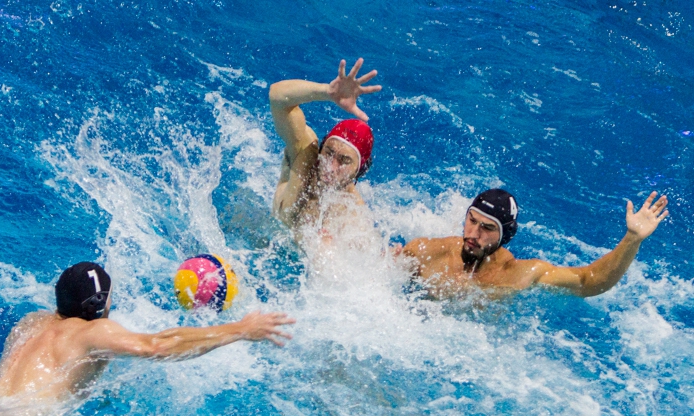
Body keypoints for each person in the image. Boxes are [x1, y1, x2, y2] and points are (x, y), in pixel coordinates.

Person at [0, 262, 294, 416]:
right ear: (98, 306)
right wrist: (240, 329)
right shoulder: (92, 333)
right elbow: (158, 346)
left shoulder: (32, 322)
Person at [401, 189, 669, 299]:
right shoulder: (425, 252)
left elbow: (589, 281)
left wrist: (632, 239)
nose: (474, 233)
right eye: (472, 220)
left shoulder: (520, 275)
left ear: (505, 235)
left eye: (488, 228)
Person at [269, 58, 382, 239]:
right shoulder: (304, 153)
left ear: (359, 170)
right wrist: (326, 92)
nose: (330, 167)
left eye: (344, 161)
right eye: (329, 153)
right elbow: (277, 97)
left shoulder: (352, 217)